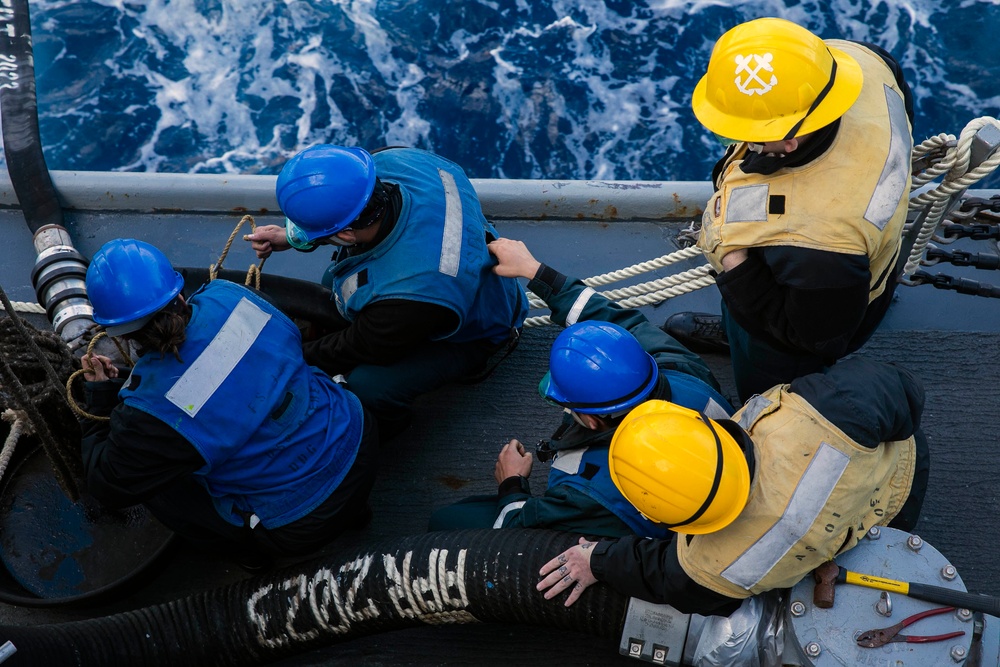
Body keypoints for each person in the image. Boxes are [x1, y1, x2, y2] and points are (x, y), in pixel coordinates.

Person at [536, 357, 929, 616]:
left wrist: (595, 560)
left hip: (857, 526)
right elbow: (902, 390)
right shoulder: (834, 405)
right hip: (898, 484)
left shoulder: (708, 568)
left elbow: (656, 571)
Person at [79, 238, 378, 566]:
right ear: (177, 292)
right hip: (359, 441)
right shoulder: (230, 294)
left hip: (301, 519)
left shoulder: (150, 412)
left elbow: (108, 483)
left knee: (161, 489)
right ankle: (357, 510)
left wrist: (98, 399)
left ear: (120, 334)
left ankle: (252, 558)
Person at [664, 17, 915, 402]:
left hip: (815, 312)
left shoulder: (819, 242)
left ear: (790, 141)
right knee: (747, 324)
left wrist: (735, 263)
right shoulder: (860, 62)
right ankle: (738, 333)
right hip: (857, 261)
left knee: (774, 378)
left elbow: (816, 338)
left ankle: (770, 404)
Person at [428, 238, 734, 538]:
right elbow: (616, 321)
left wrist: (512, 483)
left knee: (447, 522)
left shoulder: (583, 489)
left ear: (590, 420)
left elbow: (518, 530)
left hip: (647, 536)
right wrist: (537, 272)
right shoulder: (684, 370)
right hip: (712, 486)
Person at [246, 145, 527, 439]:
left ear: (344, 235)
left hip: (476, 328)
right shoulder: (397, 160)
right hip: (469, 278)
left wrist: (282, 359)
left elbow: (356, 346)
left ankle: (385, 429)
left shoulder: (413, 293)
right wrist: (294, 236)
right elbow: (349, 200)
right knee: (334, 280)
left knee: (369, 386)